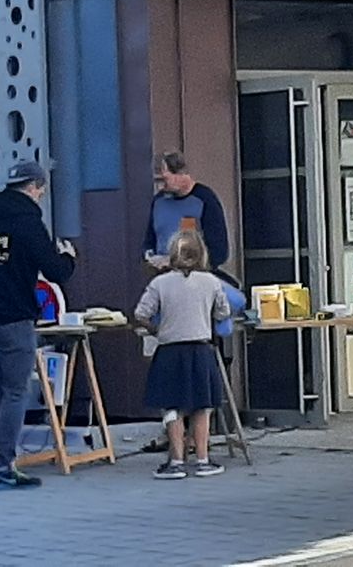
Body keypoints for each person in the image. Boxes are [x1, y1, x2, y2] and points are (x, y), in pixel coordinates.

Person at [0, 160, 76, 491]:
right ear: (35, 187)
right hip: (15, 318)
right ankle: (2, 466)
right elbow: (55, 271)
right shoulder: (28, 222)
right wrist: (69, 257)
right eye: (41, 190)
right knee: (15, 391)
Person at [134, 229, 230, 480]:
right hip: (200, 350)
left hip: (168, 351)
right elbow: (223, 312)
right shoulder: (211, 282)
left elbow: (140, 314)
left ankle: (176, 460)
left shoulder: (159, 283)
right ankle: (202, 459)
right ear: (201, 254)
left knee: (171, 407)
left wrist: (157, 329)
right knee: (202, 407)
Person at [143, 151, 229, 278]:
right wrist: (150, 258)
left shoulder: (204, 200)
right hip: (163, 276)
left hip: (196, 277)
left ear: (180, 173)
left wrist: (187, 264)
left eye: (165, 179)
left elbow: (219, 250)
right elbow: (149, 240)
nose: (162, 185)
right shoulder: (158, 202)